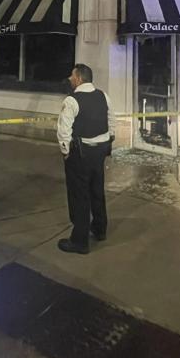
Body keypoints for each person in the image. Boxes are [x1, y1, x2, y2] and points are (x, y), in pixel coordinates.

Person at [56, 63, 115, 255]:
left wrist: (66, 153)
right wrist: (108, 141)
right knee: (97, 190)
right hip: (100, 152)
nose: (70, 79)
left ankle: (79, 241)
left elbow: (64, 131)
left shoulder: (72, 100)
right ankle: (100, 229)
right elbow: (111, 121)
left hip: (80, 154)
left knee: (79, 196)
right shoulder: (103, 96)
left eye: (72, 76)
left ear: (79, 78)